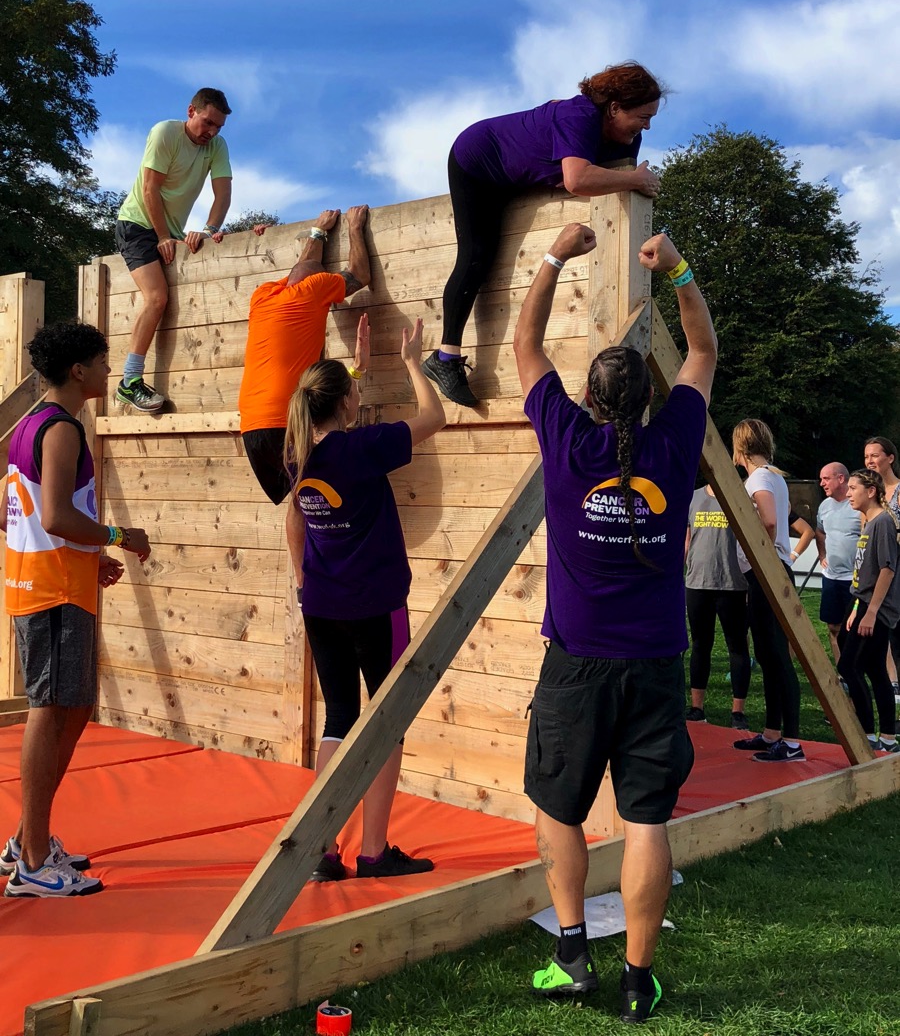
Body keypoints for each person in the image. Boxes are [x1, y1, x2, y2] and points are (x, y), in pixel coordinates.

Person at [514, 224, 716, 1023]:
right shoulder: (675, 440)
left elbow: (525, 340)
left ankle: (572, 956)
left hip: (574, 666)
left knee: (559, 808)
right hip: (657, 663)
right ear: (651, 397)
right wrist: (677, 268)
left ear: (589, 400)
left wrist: (557, 253)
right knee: (646, 819)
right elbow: (702, 348)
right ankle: (637, 978)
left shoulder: (564, 438)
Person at [285, 318, 446, 881]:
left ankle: (323, 850)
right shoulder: (363, 449)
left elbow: (294, 524)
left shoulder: (298, 452)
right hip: (377, 604)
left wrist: (303, 579)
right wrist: (412, 362)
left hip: (322, 605)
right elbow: (435, 418)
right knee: (387, 720)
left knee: (339, 719)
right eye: (354, 391)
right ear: (349, 402)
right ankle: (374, 851)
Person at [1, 323, 151, 897]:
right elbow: (56, 516)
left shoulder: (30, 424)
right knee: (51, 709)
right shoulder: (60, 430)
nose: (110, 370)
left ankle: (25, 839)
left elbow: (13, 508)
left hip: (52, 583)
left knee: (76, 704)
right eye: (103, 361)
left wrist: (90, 557)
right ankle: (33, 863)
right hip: (52, 593)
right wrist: (117, 535)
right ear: (80, 371)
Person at [424, 62, 665, 407]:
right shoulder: (579, 116)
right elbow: (578, 179)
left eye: (651, 117)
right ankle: (444, 358)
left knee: (491, 252)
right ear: (614, 109)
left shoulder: (629, 136)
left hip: (513, 178)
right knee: (477, 255)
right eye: (643, 116)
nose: (648, 126)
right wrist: (636, 180)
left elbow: (614, 186)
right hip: (477, 160)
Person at [239, 205, 372, 572]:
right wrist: (354, 227)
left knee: (300, 500)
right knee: (325, 493)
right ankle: (333, 569)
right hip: (286, 421)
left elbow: (302, 268)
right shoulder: (315, 289)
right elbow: (360, 274)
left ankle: (302, 580)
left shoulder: (263, 295)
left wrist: (318, 231)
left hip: (251, 425)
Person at [114, 87, 234, 413]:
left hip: (173, 232)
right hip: (138, 224)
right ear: (191, 111)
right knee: (156, 297)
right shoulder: (165, 132)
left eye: (218, 127)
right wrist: (164, 236)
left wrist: (209, 231)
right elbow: (150, 188)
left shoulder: (216, 147)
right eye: (207, 122)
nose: (211, 131)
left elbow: (222, 194)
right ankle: (129, 382)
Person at [731, 421, 804, 763]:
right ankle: (774, 732)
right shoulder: (772, 475)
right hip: (765, 572)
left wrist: (759, 551)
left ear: (740, 445)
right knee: (767, 653)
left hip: (767, 571)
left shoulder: (759, 477)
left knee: (776, 655)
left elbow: (772, 521)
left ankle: (791, 742)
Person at [839, 469, 899, 752]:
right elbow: (864, 573)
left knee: (848, 666)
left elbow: (887, 569)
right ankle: (886, 736)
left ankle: (868, 733)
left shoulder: (883, 523)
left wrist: (872, 611)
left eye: (853, 488)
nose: (848, 493)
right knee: (874, 669)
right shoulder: (869, 523)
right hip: (863, 603)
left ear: (871, 491)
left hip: (876, 607)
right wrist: (856, 608)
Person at [684, 484, 751, 729]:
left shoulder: (738, 494)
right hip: (698, 582)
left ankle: (738, 712)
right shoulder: (693, 497)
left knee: (737, 645)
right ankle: (697, 708)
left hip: (732, 583)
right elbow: (688, 535)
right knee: (700, 644)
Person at [864, 437, 900, 696]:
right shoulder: (868, 492)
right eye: (866, 457)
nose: (869, 461)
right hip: (874, 572)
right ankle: (889, 684)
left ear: (890, 458)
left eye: (875, 455)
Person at [815, 463, 862, 665]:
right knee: (833, 627)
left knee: (858, 629)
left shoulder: (858, 506)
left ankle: (859, 670)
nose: (821, 483)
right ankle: (843, 673)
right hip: (831, 578)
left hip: (854, 581)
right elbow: (819, 531)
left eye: (826, 479)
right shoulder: (825, 506)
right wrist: (822, 554)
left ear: (841, 479)